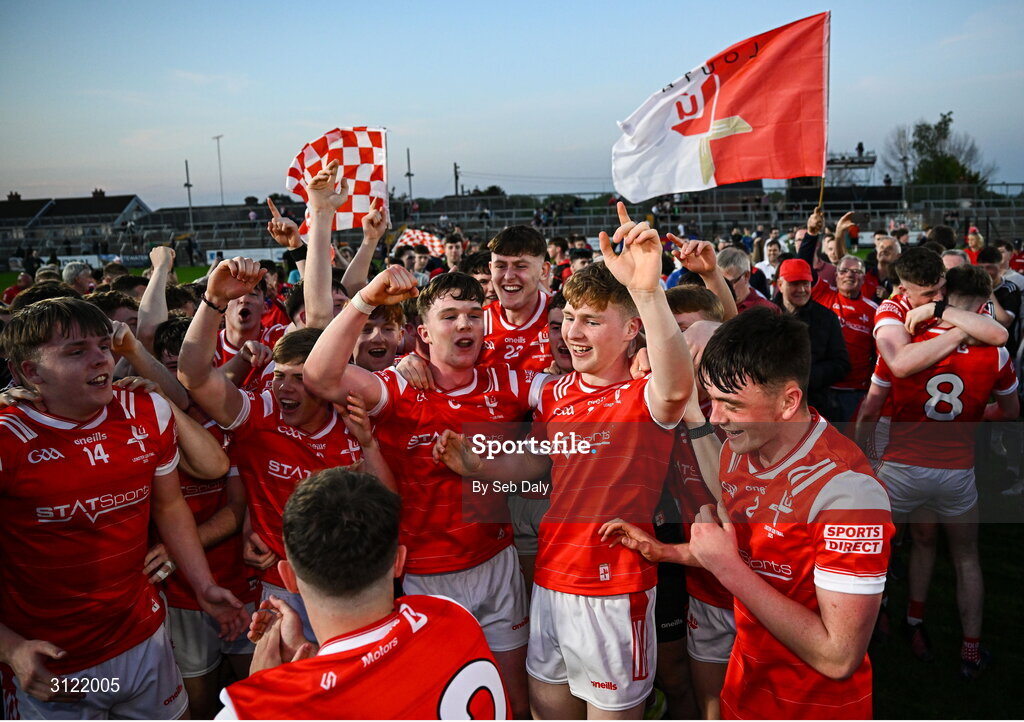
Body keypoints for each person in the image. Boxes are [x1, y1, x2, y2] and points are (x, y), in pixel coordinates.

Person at [433, 204, 695, 719]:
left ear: (629, 332)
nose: (572, 332)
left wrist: (647, 292)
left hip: (614, 589)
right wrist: (479, 466)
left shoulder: (645, 395)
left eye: (591, 321)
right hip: (552, 580)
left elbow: (678, 383)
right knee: (545, 708)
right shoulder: (556, 392)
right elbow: (538, 461)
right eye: (570, 318)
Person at [301, 160, 540, 719]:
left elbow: (569, 421)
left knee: (509, 697)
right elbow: (319, 377)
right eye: (450, 316)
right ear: (423, 332)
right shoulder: (397, 390)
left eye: (473, 315)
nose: (465, 326)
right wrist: (364, 300)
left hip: (498, 558)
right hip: (426, 571)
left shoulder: (508, 378)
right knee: (439, 698)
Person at [604, 307, 894, 719]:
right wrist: (668, 553)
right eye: (713, 400)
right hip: (744, 691)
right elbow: (741, 551)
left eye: (731, 405)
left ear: (788, 401)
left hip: (811, 708)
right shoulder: (736, 451)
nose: (716, 418)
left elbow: (838, 655)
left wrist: (726, 570)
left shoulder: (848, 493)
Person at [0, 298, 247, 718]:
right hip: (53, 661)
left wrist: (203, 584)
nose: (101, 358)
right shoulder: (8, 438)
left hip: (144, 638)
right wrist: (11, 648)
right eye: (77, 351)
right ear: (30, 372)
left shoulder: (145, 408)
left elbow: (170, 506)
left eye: (102, 345)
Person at [176, 256, 393, 643]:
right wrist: (212, 301)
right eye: (278, 377)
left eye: (299, 379)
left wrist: (368, 444)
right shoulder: (260, 412)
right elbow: (193, 375)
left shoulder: (354, 418)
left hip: (349, 584)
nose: (284, 389)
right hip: (279, 585)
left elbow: (388, 505)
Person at [215, 468, 509, 719]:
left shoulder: (255, 710)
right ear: (398, 561)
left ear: (288, 578)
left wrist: (266, 687)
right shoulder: (450, 615)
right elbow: (388, 679)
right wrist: (310, 657)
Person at [856, 265, 1019, 678]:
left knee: (876, 553)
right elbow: (1012, 412)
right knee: (965, 557)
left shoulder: (908, 342)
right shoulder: (996, 352)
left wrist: (862, 460)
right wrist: (971, 418)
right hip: (956, 472)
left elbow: (871, 409)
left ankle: (872, 628)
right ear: (983, 305)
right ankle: (968, 650)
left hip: (901, 468)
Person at [775, 258, 851, 421]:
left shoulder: (826, 318)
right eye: (795, 284)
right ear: (780, 285)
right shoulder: (766, 316)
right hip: (774, 406)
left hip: (816, 407)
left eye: (806, 284)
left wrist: (805, 378)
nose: (802, 289)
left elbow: (842, 363)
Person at [810, 254, 879, 423]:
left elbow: (879, 357)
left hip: (854, 393)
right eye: (844, 270)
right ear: (836, 275)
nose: (849, 275)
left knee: (851, 445)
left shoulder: (874, 310)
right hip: (821, 388)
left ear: (864, 278)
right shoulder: (822, 295)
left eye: (856, 271)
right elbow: (804, 265)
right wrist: (811, 235)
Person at [480, 225, 554, 372]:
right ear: (490, 268)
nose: (508, 276)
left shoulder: (564, 319)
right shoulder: (476, 321)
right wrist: (419, 359)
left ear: (544, 271)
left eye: (520, 266)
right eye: (500, 266)